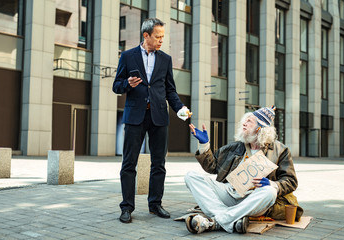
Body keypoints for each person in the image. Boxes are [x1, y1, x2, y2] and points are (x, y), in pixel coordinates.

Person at [113, 18, 191, 224]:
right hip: (135, 117)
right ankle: (127, 207)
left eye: (163, 37)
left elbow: (170, 91)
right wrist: (128, 84)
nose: (161, 41)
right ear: (145, 35)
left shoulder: (165, 59)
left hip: (159, 117)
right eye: (158, 37)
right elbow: (116, 85)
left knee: (159, 164)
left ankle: (155, 204)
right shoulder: (128, 56)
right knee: (129, 163)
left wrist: (181, 111)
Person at [184, 106, 303, 234]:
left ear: (260, 128)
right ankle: (231, 219)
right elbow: (212, 167)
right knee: (191, 176)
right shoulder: (235, 146)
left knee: (270, 192)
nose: (244, 123)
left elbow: (291, 181)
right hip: (230, 192)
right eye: (245, 120)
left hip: (255, 199)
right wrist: (204, 145)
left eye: (250, 121)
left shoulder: (281, 150)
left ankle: (216, 221)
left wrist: (273, 184)